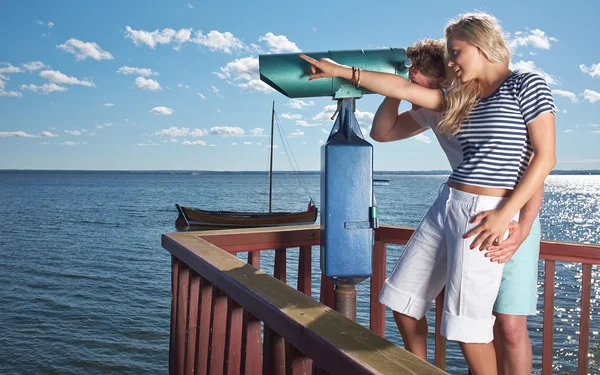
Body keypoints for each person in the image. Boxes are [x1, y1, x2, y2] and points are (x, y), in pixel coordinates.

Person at [299, 12, 556, 375]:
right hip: (449, 202)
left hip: (489, 211)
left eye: (456, 52)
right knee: (402, 300)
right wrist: (341, 71)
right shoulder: (460, 97)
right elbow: (402, 90)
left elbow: (545, 157)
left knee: (468, 327)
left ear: (481, 46)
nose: (451, 62)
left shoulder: (527, 85)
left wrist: (506, 214)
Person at [370, 38, 543, 375]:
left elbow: (536, 165)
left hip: (513, 215)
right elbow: (383, 132)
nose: (411, 81)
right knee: (426, 308)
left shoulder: (485, 103)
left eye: (416, 77)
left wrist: (522, 225)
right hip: (465, 210)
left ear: (441, 77)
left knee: (507, 326)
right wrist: (397, 89)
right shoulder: (431, 109)